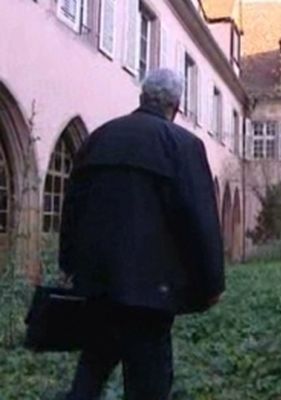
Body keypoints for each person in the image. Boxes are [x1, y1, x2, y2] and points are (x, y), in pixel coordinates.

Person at [59, 69, 225, 400]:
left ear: (141, 97)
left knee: (91, 372)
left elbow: (72, 208)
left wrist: (69, 265)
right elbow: (199, 219)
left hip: (97, 287)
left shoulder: (99, 138)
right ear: (175, 107)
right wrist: (211, 284)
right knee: (148, 384)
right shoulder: (183, 145)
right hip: (150, 293)